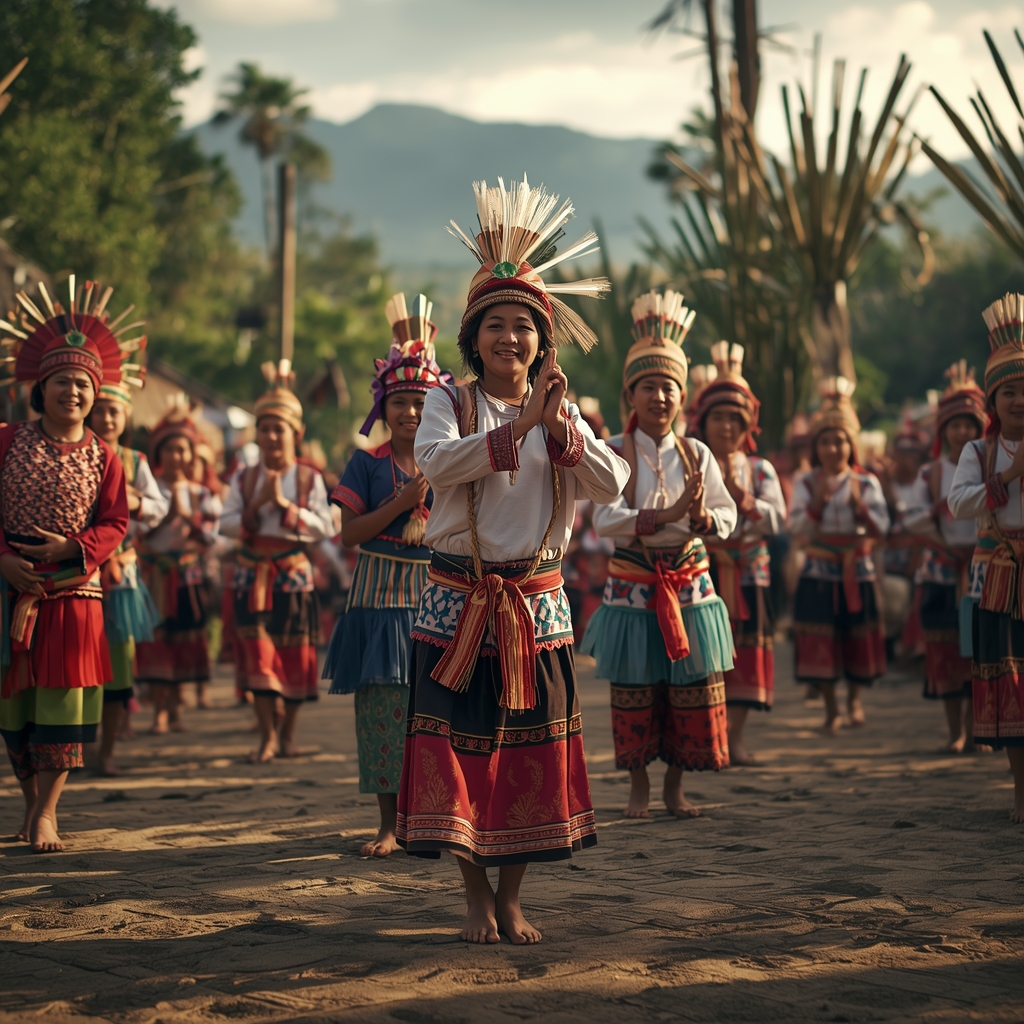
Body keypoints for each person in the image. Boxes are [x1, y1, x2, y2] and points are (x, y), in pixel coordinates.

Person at [397, 177, 629, 944]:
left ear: (542, 339)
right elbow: (436, 466)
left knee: (528, 755)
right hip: (455, 605)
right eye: (494, 325)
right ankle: (472, 897)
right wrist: (520, 424)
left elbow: (613, 482)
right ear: (473, 337)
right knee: (457, 757)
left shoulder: (565, 410)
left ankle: (511, 897)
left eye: (523, 326)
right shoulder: (448, 402)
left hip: (535, 603)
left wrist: (556, 429)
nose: (509, 338)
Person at [581, 289, 736, 818]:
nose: (659, 397)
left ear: (682, 395)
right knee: (635, 688)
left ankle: (675, 786)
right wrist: (662, 519)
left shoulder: (697, 453)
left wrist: (704, 520)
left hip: (689, 583)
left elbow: (727, 514)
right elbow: (604, 520)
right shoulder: (614, 453)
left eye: (669, 386)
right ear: (631, 395)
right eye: (648, 386)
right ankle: (638, 787)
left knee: (689, 685)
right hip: (634, 585)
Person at [0, 279, 129, 851]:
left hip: (76, 594)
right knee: (14, 707)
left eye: (82, 383)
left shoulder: (107, 457)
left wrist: (70, 549)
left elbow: (116, 523)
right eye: (62, 381)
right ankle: (29, 805)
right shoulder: (6, 441)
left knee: (64, 704)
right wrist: (5, 561)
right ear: (40, 387)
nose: (72, 392)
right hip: (11, 588)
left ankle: (48, 811)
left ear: (95, 393)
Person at [323, 293, 448, 856]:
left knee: (436, 713)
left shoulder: (451, 460)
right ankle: (388, 824)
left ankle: (437, 817)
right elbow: (349, 534)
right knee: (381, 715)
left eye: (421, 401)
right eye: (400, 401)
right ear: (383, 405)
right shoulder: (366, 464)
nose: (410, 414)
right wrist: (402, 505)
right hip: (376, 605)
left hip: (438, 599)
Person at [220, 361, 335, 762]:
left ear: (296, 434)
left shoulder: (308, 479)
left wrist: (284, 506)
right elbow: (226, 523)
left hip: (292, 576)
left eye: (279, 428)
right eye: (264, 428)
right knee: (258, 655)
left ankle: (288, 735)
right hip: (252, 576)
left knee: (293, 657)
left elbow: (323, 527)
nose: (271, 436)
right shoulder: (243, 477)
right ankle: (267, 735)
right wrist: (256, 505)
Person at [689, 343, 786, 765]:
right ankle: (708, 735)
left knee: (747, 651)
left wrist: (743, 498)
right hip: (704, 572)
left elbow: (778, 521)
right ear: (703, 421)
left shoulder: (761, 469)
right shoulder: (691, 461)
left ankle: (736, 736)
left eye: (735, 418)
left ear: (747, 424)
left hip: (750, 573)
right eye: (718, 417)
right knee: (705, 651)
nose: (726, 426)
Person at [948, 293, 1024, 822]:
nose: (1020, 400)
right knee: (1010, 677)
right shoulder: (977, 452)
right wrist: (1008, 479)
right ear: (993, 402)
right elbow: (959, 504)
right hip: (999, 578)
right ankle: (1020, 788)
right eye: (1011, 391)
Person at [789, 378, 890, 732]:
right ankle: (831, 708)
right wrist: (817, 504)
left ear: (852, 444)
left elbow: (884, 528)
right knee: (821, 639)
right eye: (827, 442)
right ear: (817, 447)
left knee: (858, 636)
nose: (834, 448)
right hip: (818, 571)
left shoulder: (866, 483)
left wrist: (862, 510)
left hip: (856, 570)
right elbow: (797, 528)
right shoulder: (805, 484)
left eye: (841, 440)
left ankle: (855, 703)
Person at [87, 369, 167, 776]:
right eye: (100, 410)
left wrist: (131, 501)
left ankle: (108, 751)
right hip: (80, 569)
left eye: (114, 410)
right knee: (79, 662)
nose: (107, 418)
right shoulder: (80, 454)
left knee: (119, 667)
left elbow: (157, 508)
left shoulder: (135, 461)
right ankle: (77, 747)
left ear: (126, 416)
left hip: (120, 574)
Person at [135, 405, 222, 733]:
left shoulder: (202, 493)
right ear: (160, 451)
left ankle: (175, 708)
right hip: (156, 575)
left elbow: (213, 537)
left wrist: (189, 519)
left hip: (189, 575)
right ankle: (159, 711)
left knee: (184, 640)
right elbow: (134, 531)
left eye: (182, 448)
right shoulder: (149, 488)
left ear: (190, 454)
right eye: (169, 448)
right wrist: (168, 518)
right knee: (158, 641)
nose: (175, 454)